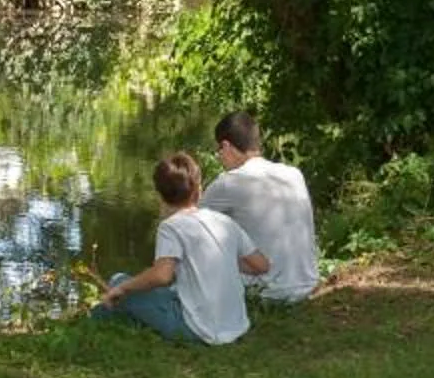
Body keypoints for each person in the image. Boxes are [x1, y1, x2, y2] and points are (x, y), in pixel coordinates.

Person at [90, 150, 270, 343]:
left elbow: (162, 276)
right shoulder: (224, 221)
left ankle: (94, 323)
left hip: (198, 330)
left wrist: (123, 288)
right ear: (199, 190)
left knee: (119, 281)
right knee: (155, 290)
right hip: (236, 326)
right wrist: (223, 258)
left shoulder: (171, 227)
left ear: (160, 195)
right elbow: (261, 265)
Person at [204, 111, 318, 304]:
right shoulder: (293, 174)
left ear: (226, 146)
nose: (219, 157)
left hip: (267, 293)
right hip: (308, 285)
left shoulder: (228, 182)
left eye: (219, 150)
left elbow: (190, 226)